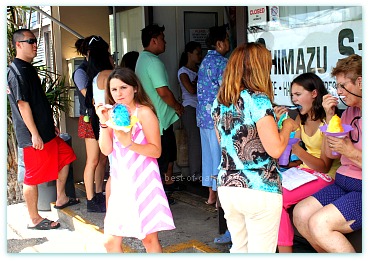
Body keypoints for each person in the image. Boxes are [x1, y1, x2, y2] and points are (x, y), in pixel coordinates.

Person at [211, 42, 299, 253]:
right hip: (260, 188)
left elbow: (227, 145)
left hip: (228, 186)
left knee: (239, 249)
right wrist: (287, 126)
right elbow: (276, 150)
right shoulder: (259, 100)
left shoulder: (219, 102)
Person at [95, 67, 175, 252]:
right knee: (110, 241)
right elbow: (106, 149)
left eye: (123, 87)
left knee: (148, 240)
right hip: (120, 181)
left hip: (144, 181)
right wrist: (103, 122)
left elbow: (156, 151)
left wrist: (129, 143)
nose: (118, 93)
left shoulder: (144, 113)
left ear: (135, 88)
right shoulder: (113, 112)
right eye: (114, 90)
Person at [7, 29, 79, 230]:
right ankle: (35, 218)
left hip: (46, 131)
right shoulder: (16, 71)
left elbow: (37, 101)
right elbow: (23, 105)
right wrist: (35, 134)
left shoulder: (27, 68)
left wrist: (49, 124)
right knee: (32, 177)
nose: (35, 45)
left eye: (35, 41)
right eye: (30, 41)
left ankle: (61, 197)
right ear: (18, 44)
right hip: (33, 137)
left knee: (66, 156)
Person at [293, 54, 362, 253]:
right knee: (300, 214)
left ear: (360, 81)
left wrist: (349, 151)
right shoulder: (349, 112)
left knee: (319, 223)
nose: (338, 92)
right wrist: (330, 117)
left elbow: (344, 153)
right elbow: (331, 155)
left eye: (342, 85)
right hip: (343, 182)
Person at [273, 72, 340, 253]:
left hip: (326, 176)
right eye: (292, 95)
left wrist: (297, 150)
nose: (294, 99)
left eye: (298, 94)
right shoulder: (300, 118)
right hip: (304, 173)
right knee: (270, 193)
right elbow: (285, 150)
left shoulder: (330, 120)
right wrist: (280, 123)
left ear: (314, 94)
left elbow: (324, 166)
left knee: (277, 200)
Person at [135, 24, 184, 204]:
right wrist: (177, 106)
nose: (165, 42)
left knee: (160, 159)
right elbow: (163, 91)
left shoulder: (142, 59)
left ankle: (158, 195)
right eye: (163, 38)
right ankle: (159, 197)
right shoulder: (154, 62)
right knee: (163, 159)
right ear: (154, 40)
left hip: (152, 119)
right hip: (159, 122)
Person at [73, 35, 112, 212]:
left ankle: (99, 192)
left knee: (103, 158)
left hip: (100, 118)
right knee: (93, 160)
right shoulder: (81, 72)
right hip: (89, 118)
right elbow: (88, 96)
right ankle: (90, 199)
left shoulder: (101, 71)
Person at [197, 25, 230, 206]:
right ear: (219, 43)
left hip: (203, 116)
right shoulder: (221, 62)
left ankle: (210, 194)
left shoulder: (204, 61)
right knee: (219, 157)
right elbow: (225, 89)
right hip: (217, 117)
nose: (228, 44)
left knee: (208, 157)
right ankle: (219, 197)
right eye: (226, 40)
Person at [177, 41, 202, 181]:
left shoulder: (198, 69)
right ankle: (194, 173)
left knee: (200, 140)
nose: (200, 56)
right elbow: (191, 90)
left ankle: (199, 171)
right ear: (189, 54)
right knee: (195, 141)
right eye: (197, 53)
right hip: (189, 108)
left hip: (200, 108)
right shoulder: (183, 72)